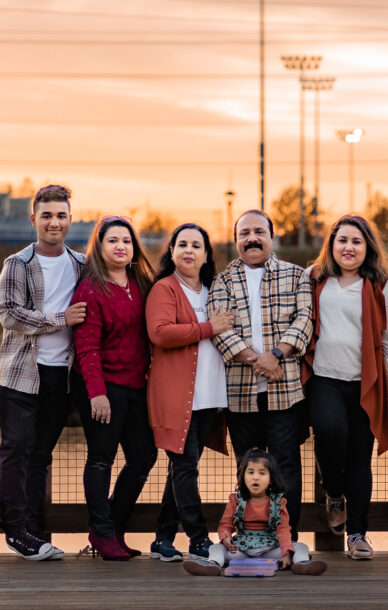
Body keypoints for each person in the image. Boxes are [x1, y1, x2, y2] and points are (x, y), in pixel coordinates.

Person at [302, 215, 388, 560]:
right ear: (331, 246)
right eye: (342, 241)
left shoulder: (385, 287)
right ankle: (334, 494)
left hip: (367, 382)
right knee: (329, 432)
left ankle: (358, 535)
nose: (348, 247)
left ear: (368, 247)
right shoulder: (313, 279)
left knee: (359, 458)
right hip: (323, 377)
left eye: (356, 241)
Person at [207, 210, 313, 541]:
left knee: (286, 468)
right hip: (241, 394)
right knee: (249, 470)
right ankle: (253, 536)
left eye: (259, 232)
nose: (252, 238)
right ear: (236, 239)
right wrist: (259, 360)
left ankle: (288, 537)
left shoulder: (296, 276)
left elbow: (305, 320)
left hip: (285, 391)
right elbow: (219, 330)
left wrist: (276, 355)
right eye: (244, 233)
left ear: (271, 236)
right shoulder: (222, 281)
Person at [0, 185, 86, 561]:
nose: (54, 222)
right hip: (20, 374)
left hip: (59, 376)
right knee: (15, 450)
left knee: (41, 456)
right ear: (33, 219)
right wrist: (58, 319)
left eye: (61, 215)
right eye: (47, 215)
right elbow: (9, 314)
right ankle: (16, 531)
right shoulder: (17, 264)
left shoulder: (82, 264)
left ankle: (34, 532)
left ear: (70, 218)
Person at [71, 216, 158, 560]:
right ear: (99, 246)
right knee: (101, 459)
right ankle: (103, 532)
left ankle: (112, 527)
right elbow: (86, 346)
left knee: (144, 456)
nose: (120, 246)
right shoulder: (91, 289)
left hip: (137, 386)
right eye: (112, 240)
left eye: (126, 240)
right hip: (102, 387)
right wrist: (96, 392)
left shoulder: (140, 283)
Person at [146, 223, 234, 562]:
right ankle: (198, 539)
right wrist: (210, 327)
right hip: (176, 396)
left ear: (207, 254)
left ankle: (162, 538)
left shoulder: (214, 290)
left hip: (209, 395)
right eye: (182, 244)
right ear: (171, 252)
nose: (189, 250)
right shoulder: (164, 289)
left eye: (196, 245)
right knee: (185, 469)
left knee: (182, 469)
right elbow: (161, 333)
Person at [182, 448, 327, 576]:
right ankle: (213, 565)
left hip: (270, 549)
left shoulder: (278, 502)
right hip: (241, 550)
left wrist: (285, 553)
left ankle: (301, 564)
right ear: (243, 476)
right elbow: (226, 525)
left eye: (262, 473)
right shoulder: (235, 500)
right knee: (215, 547)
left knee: (300, 546)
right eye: (250, 472)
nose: (255, 477)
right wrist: (226, 538)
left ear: (271, 479)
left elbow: (283, 530)